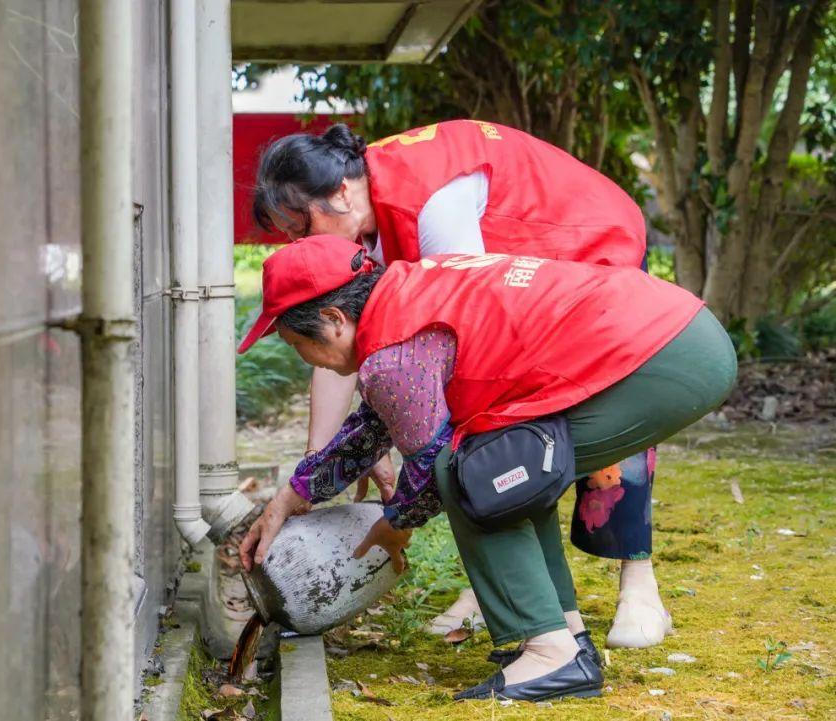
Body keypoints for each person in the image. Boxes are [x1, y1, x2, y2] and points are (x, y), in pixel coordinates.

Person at [238, 236, 736, 701]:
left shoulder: (392, 356)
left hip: (663, 356)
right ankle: (562, 634)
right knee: (499, 463)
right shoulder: (403, 298)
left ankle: (549, 654)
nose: (307, 360)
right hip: (678, 330)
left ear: (333, 318)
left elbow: (431, 469)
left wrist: (395, 526)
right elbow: (376, 424)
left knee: (471, 474)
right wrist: (292, 495)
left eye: (294, 343)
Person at [250, 120, 670, 647]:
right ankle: (524, 594)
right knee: (491, 439)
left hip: (586, 245)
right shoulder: (357, 232)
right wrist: (312, 478)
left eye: (301, 226)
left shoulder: (432, 208)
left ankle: (638, 586)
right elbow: (345, 346)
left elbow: (459, 348)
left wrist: (396, 490)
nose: (300, 244)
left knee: (524, 421)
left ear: (338, 193)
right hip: (513, 285)